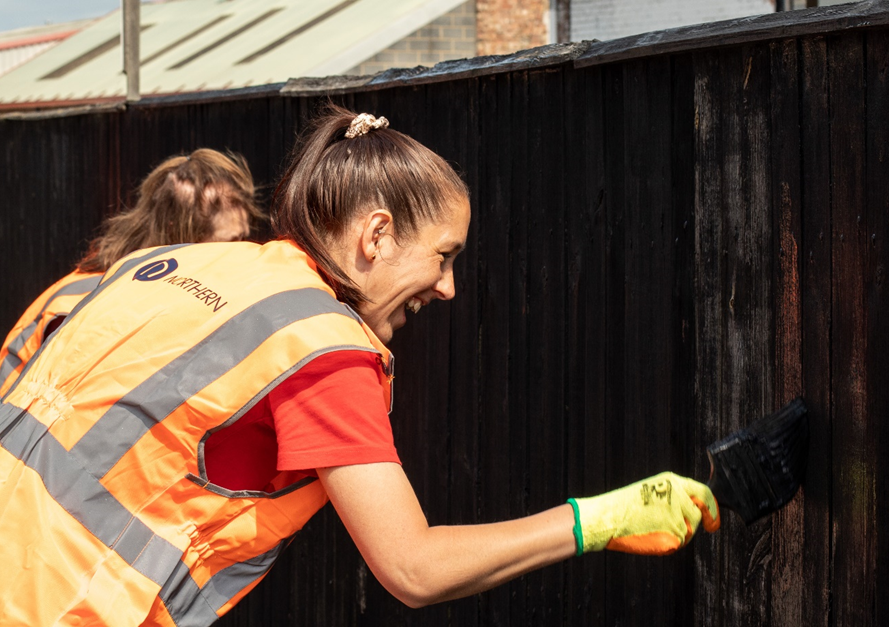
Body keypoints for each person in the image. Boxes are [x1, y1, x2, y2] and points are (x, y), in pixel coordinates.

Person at [0, 106, 720, 626]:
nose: (447, 287)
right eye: (444, 255)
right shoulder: (323, 348)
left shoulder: (175, 262)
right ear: (377, 234)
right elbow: (413, 567)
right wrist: (598, 518)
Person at [0, 148, 263, 398]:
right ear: (181, 236)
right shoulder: (89, 306)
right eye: (229, 243)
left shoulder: (131, 280)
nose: (239, 254)